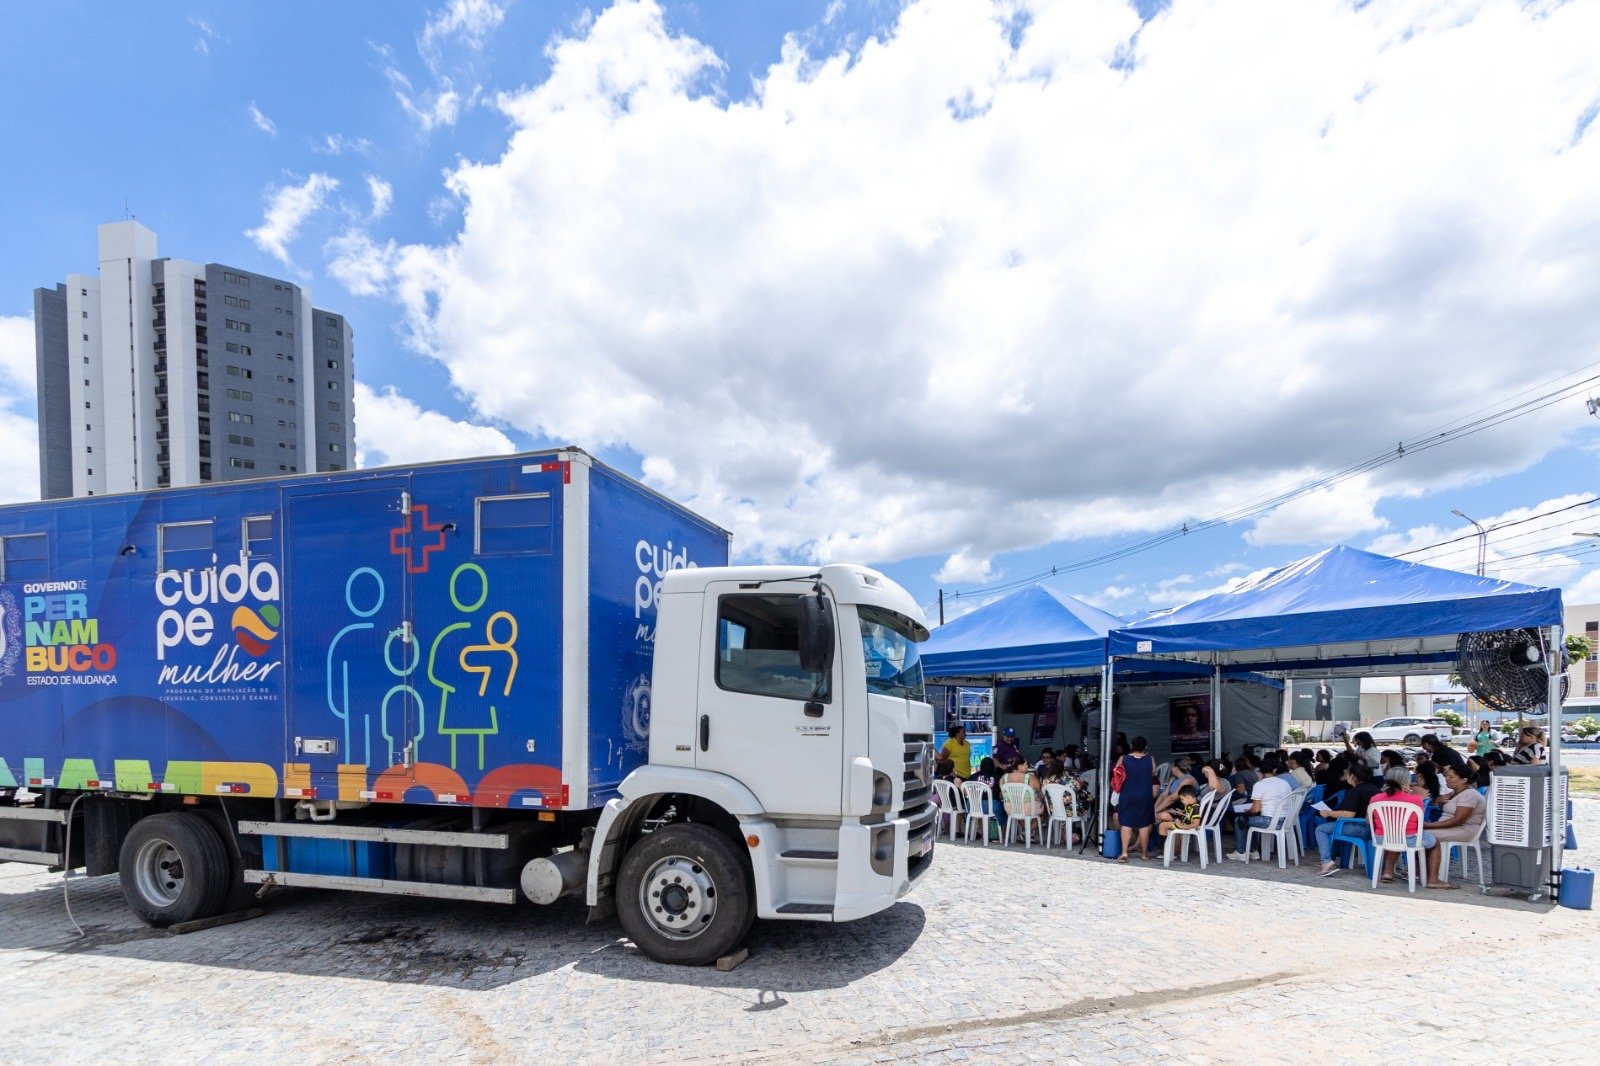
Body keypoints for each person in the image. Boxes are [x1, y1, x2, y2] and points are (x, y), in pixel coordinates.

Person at [1421, 763, 1486, 889]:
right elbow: (1448, 813)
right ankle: (1421, 872)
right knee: (1420, 834)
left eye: (1451, 777)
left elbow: (1458, 820)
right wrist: (1441, 803)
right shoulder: (1455, 792)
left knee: (1426, 835)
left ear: (1464, 780)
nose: (1447, 779)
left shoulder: (1469, 795)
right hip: (1452, 827)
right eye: (1447, 776)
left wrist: (1429, 825)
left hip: (1464, 829)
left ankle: (1433, 878)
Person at [1312, 762, 1382, 876]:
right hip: (1376, 828)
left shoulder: (1355, 791)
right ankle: (1332, 858)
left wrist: (1328, 813)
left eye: (1348, 774)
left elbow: (1348, 814)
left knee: (1321, 829)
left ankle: (1326, 861)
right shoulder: (1376, 789)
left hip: (1360, 827)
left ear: (1353, 776)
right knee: (1333, 827)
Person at [1374, 766, 1434, 884]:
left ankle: (1388, 871)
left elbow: (1369, 820)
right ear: (1407, 782)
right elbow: (1419, 822)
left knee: (1395, 835)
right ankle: (1433, 879)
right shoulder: (1415, 800)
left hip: (1381, 838)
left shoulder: (1376, 798)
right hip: (1408, 839)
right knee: (1434, 843)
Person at [1228, 756, 1294, 861]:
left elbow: (1255, 810)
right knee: (1250, 821)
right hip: (1286, 821)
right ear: (1275, 770)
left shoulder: (1260, 785)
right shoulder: (1285, 783)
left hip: (1268, 821)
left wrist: (1247, 812)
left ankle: (1241, 852)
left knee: (1240, 820)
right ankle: (1253, 851)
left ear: (1260, 771)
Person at [1115, 735, 1158, 863]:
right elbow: (1153, 773)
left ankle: (1124, 852)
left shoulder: (1123, 758)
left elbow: (1117, 772)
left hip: (1127, 794)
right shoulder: (1150, 759)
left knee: (1126, 823)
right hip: (1145, 795)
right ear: (1145, 747)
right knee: (1144, 824)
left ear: (1131, 746)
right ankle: (1144, 854)